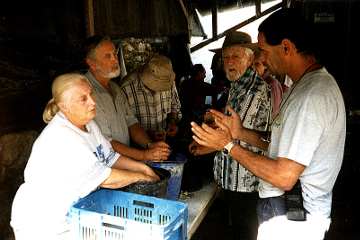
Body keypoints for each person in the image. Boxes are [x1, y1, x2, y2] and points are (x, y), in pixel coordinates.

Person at [190, 8, 346, 240]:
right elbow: (279, 145)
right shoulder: (303, 87)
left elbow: (284, 177)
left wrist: (228, 145)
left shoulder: (310, 98)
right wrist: (241, 132)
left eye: (263, 51)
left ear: (285, 47)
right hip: (289, 210)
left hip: (293, 217)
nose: (260, 59)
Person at [10, 73, 159, 240]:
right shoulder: (63, 136)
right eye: (83, 99)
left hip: (75, 215)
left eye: (91, 94)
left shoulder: (88, 123)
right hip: (44, 223)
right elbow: (105, 179)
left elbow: (110, 158)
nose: (93, 101)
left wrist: (144, 167)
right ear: (64, 106)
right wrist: (141, 177)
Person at [189, 31, 272, 240]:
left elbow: (233, 137)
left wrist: (201, 147)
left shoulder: (253, 90)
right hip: (233, 180)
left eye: (236, 56)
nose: (230, 61)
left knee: (243, 234)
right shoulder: (237, 86)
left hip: (245, 184)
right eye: (226, 57)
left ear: (250, 58)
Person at [83, 36, 171, 162]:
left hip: (123, 162)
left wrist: (149, 145)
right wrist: (145, 155)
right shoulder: (86, 92)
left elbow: (131, 122)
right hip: (103, 167)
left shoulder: (115, 88)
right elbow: (105, 142)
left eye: (114, 54)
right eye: (107, 56)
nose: (115, 60)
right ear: (91, 63)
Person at [121, 53, 182, 143]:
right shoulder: (125, 87)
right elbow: (122, 125)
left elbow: (175, 106)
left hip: (164, 143)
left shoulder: (168, 80)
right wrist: (145, 136)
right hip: (138, 147)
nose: (157, 89)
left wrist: (172, 121)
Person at [253, 50, 283, 116]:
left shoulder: (272, 84)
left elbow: (274, 112)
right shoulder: (251, 82)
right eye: (250, 65)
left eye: (257, 64)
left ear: (265, 66)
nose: (253, 68)